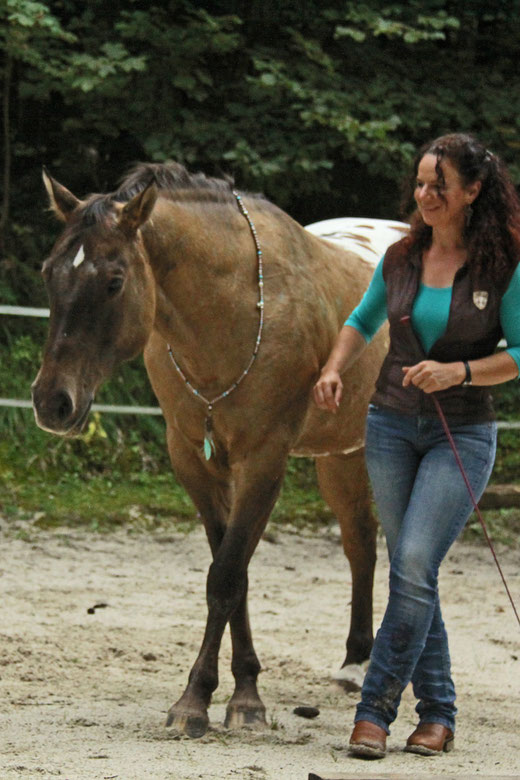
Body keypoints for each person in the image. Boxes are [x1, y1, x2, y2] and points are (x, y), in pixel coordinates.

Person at [313, 133, 520, 759]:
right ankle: (438, 711)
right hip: (390, 428)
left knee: (409, 568)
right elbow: (361, 319)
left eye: (438, 185)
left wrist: (459, 372)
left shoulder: (502, 266)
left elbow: (518, 355)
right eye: (420, 184)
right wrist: (334, 366)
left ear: (472, 191)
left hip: (462, 433)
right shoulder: (402, 256)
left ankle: (372, 712)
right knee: (416, 573)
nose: (424, 195)